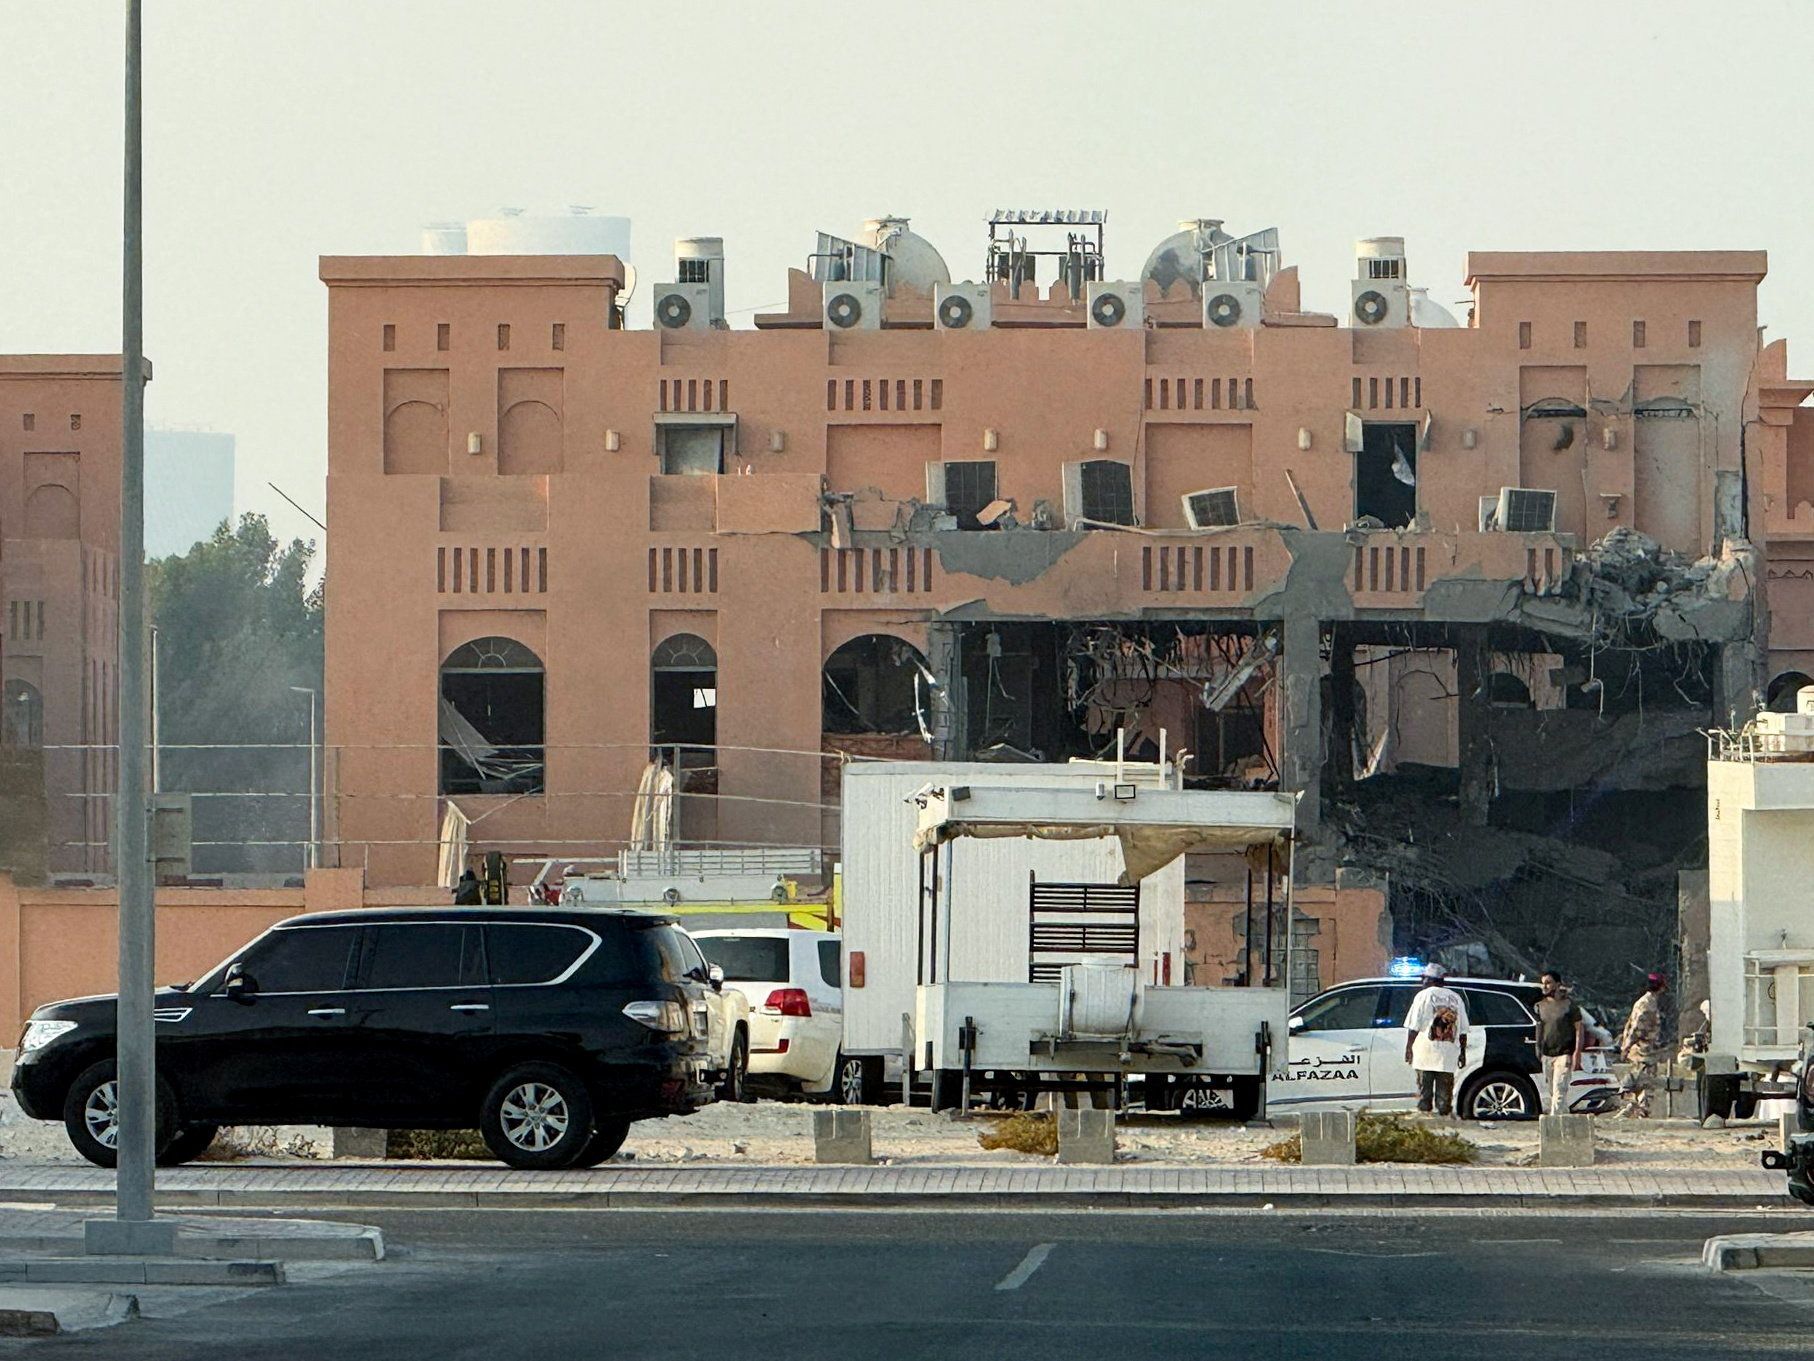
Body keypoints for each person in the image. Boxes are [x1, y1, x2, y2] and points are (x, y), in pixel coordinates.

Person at [1404, 964, 1470, 1117]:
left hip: (1425, 1053)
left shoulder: (1423, 996)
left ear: (1431, 980)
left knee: (1424, 1093)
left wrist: (1408, 1048)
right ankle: (1444, 1122)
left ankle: (1426, 1122)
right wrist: (1462, 1052)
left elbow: (1413, 1026)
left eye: (1424, 979)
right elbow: (1463, 1030)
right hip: (1448, 1054)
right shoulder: (1456, 998)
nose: (1422, 982)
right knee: (1445, 1097)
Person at [1533, 969, 1586, 1115]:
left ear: (1557, 984)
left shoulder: (1569, 1006)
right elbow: (1539, 1028)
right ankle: (1565, 1119)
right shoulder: (1540, 1006)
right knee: (1553, 1092)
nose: (1545, 986)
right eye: (1543, 983)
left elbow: (1579, 1029)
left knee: (1559, 1090)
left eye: (1548, 983)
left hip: (1564, 1053)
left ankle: (1553, 1122)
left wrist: (1577, 1053)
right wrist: (1538, 1048)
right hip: (1547, 1054)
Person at [1617, 972, 1668, 1118]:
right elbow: (1637, 1028)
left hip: (1644, 1050)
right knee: (1641, 1080)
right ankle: (1632, 1107)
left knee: (1644, 1082)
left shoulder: (1647, 1002)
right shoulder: (1647, 1004)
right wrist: (1626, 1046)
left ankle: (1639, 1109)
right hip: (1642, 1051)